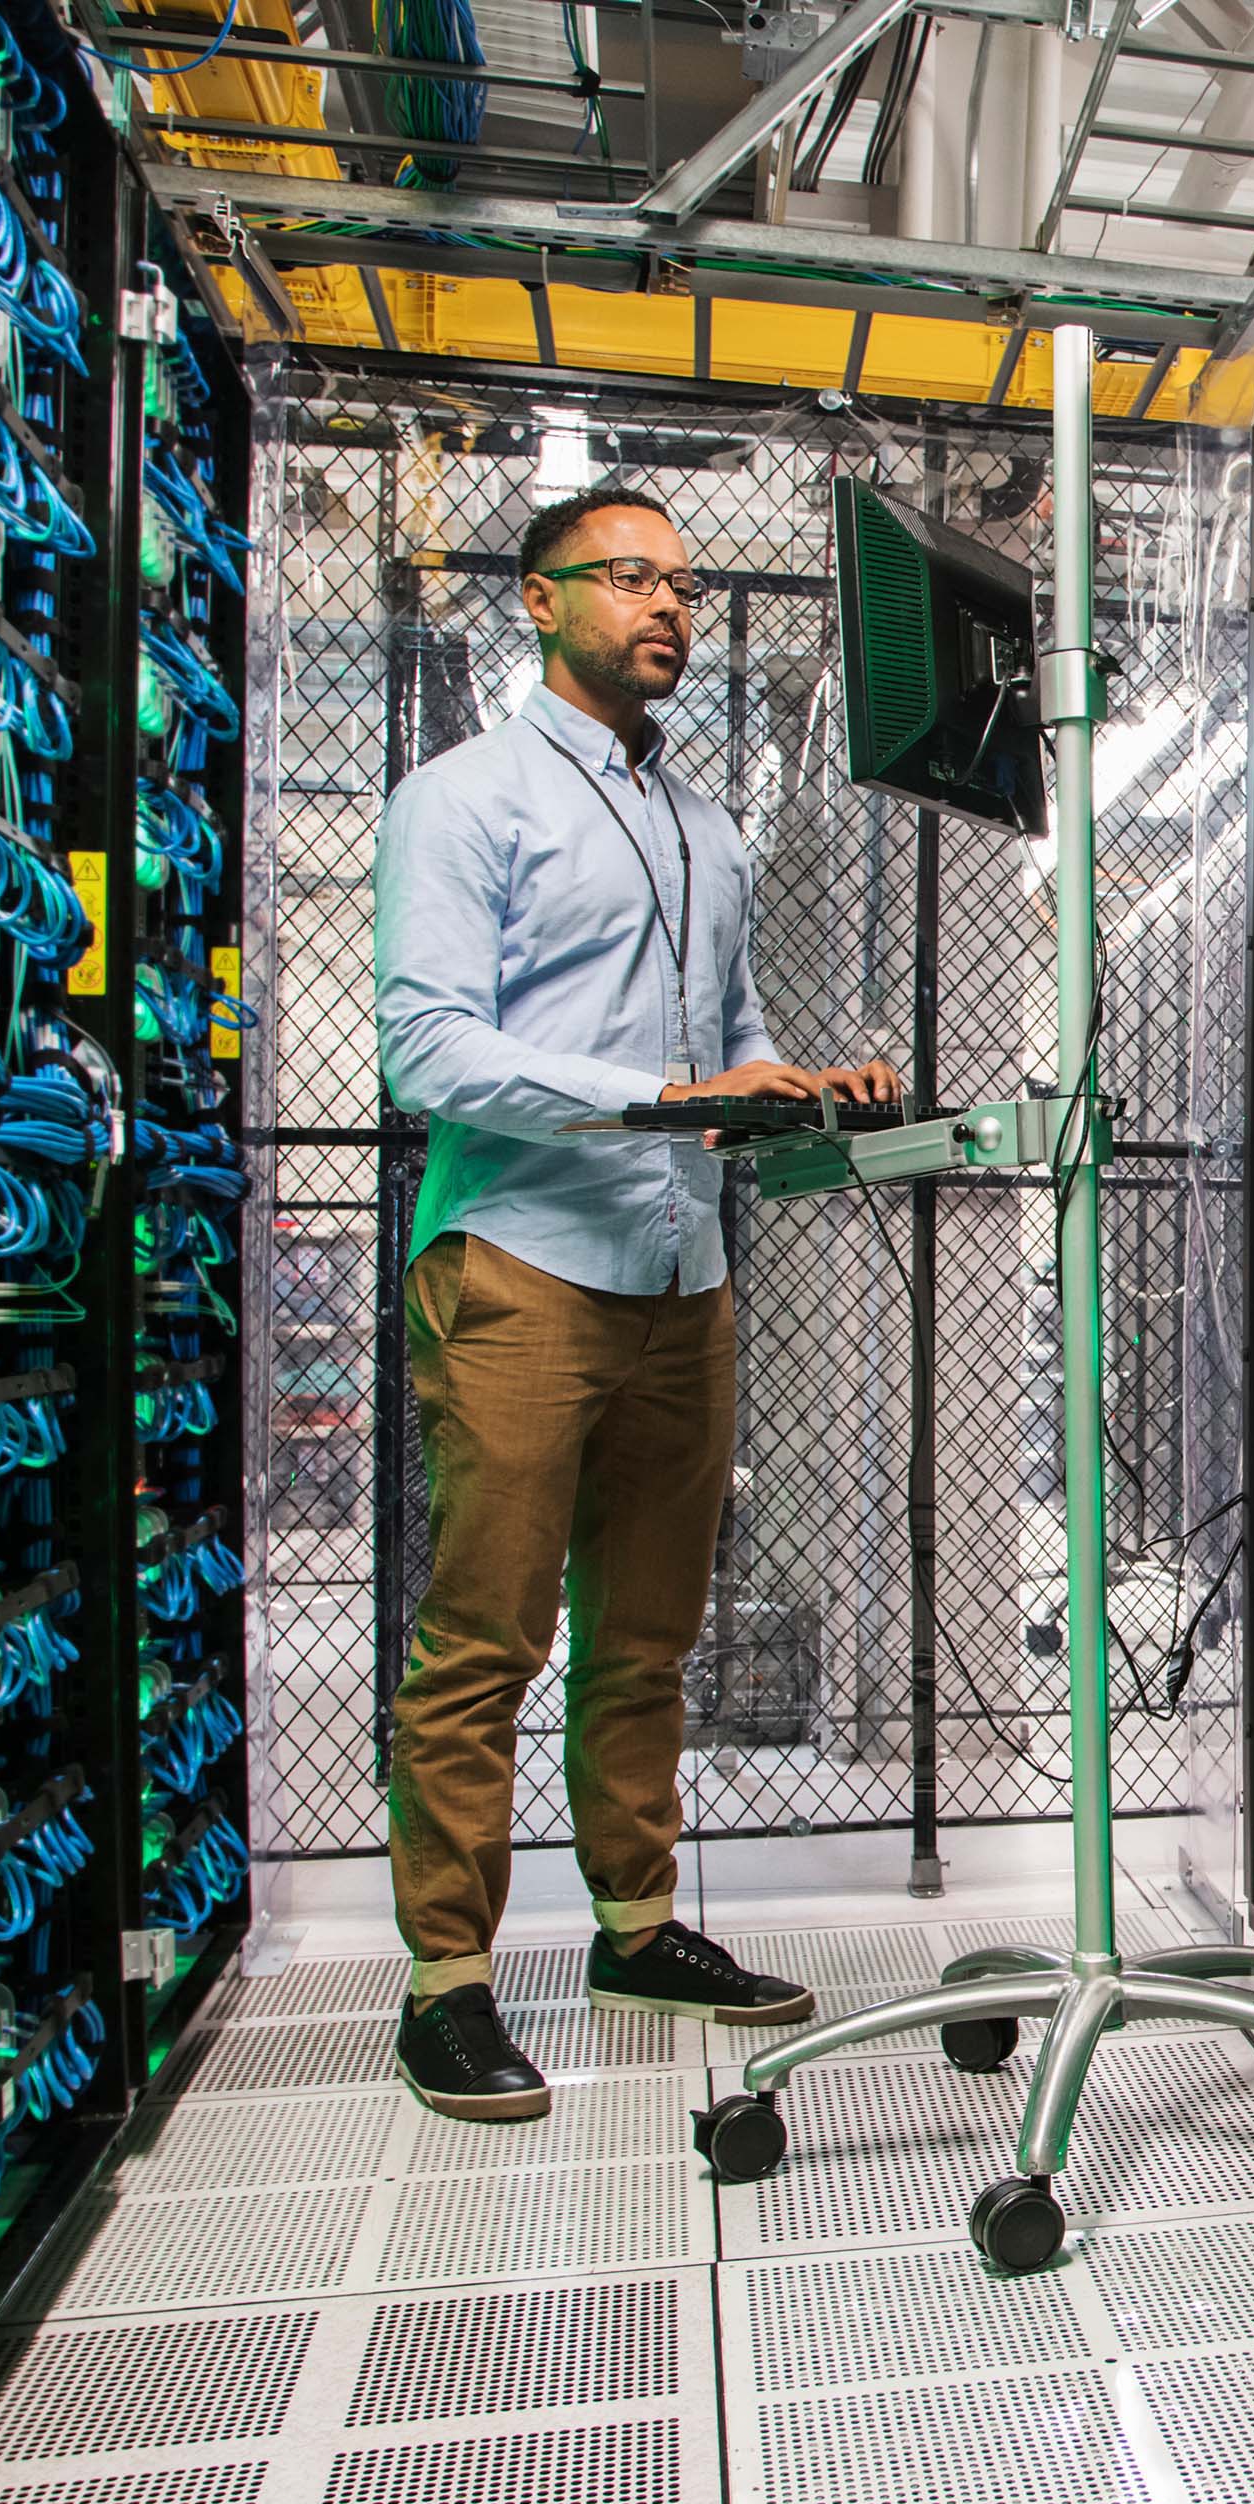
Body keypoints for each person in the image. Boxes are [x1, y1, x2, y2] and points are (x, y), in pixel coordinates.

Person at [370, 482, 895, 2121]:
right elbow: (427, 1049)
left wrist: (795, 1085)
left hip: (687, 1272)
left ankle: (634, 1927)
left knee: (648, 1639)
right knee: (484, 1640)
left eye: (679, 581)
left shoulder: (703, 827)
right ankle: (447, 1983)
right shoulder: (463, 801)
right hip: (526, 1258)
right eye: (628, 578)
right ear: (537, 602)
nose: (665, 605)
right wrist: (652, 1101)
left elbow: (726, 1034)